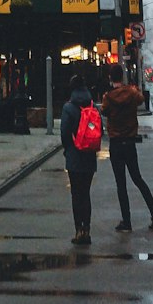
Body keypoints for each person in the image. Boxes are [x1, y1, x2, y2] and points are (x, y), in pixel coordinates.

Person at [102, 65, 153, 232]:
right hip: (129, 142)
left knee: (121, 184)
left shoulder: (108, 97)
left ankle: (126, 221)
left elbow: (104, 111)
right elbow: (141, 99)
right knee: (138, 179)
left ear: (110, 78)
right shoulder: (132, 93)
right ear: (123, 76)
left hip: (115, 142)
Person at [59, 73, 98, 246]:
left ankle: (78, 230)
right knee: (86, 194)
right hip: (89, 156)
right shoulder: (92, 105)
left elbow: (64, 133)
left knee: (76, 194)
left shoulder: (68, 107)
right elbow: (99, 129)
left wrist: (68, 149)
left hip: (74, 156)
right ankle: (87, 229)